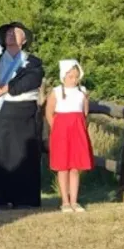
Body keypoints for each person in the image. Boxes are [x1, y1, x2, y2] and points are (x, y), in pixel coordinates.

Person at [0, 22, 45, 209]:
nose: (11, 35)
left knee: (21, 153)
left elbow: (31, 80)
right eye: (8, 33)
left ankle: (23, 198)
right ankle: (0, 196)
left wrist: (6, 89)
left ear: (24, 40)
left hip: (22, 113)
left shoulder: (32, 62)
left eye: (16, 33)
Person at [45, 60, 94, 213]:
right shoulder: (57, 92)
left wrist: (81, 128)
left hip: (77, 131)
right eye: (71, 76)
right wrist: (56, 128)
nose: (74, 80)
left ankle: (75, 200)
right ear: (64, 76)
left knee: (75, 167)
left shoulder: (82, 92)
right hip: (61, 132)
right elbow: (49, 111)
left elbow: (85, 113)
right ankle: (65, 202)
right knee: (63, 167)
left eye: (76, 77)